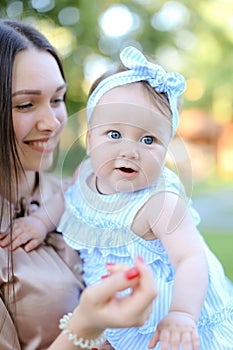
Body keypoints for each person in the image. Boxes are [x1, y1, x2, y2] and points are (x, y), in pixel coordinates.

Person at [4, 46, 233, 349]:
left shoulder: (160, 200)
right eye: (114, 134)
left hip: (164, 317)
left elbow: (190, 258)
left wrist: (182, 314)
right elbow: (65, 200)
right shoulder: (87, 174)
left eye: (148, 139)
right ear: (89, 139)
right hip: (116, 313)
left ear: (167, 148)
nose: (130, 150)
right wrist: (39, 222)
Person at [0, 20, 158, 350]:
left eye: (57, 100)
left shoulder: (87, 189)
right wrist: (85, 327)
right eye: (26, 104)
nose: (52, 123)